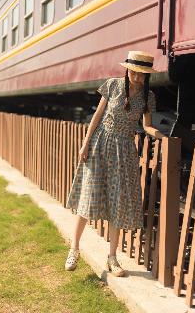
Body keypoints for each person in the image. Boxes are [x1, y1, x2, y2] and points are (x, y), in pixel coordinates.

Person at [64, 50, 164, 276]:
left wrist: (162, 136)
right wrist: (85, 143)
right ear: (127, 69)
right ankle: (74, 249)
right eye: (134, 73)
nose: (137, 78)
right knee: (87, 198)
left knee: (118, 203)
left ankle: (112, 258)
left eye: (142, 75)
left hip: (125, 150)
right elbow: (97, 116)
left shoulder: (149, 97)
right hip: (101, 143)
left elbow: (147, 126)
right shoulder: (112, 85)